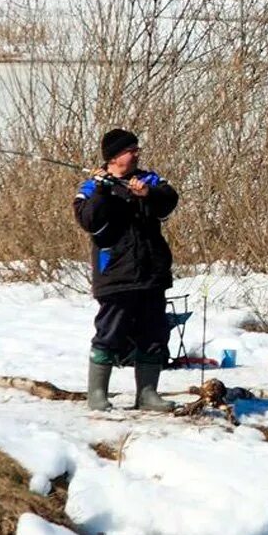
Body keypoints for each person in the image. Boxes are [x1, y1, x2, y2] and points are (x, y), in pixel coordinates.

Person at [74, 128, 179, 412]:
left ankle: (147, 394)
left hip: (151, 273)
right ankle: (97, 394)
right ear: (115, 156)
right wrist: (101, 190)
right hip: (115, 274)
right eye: (131, 149)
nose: (136, 153)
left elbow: (169, 200)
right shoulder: (90, 188)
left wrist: (148, 194)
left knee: (155, 333)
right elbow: (88, 220)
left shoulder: (149, 179)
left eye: (136, 149)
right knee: (110, 331)